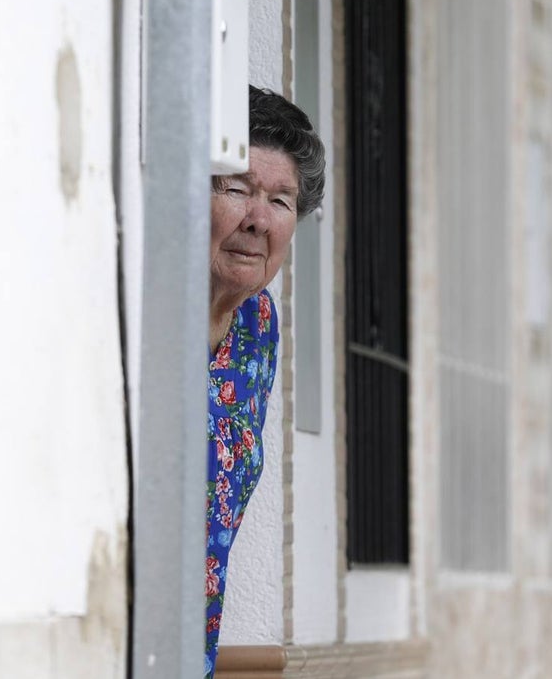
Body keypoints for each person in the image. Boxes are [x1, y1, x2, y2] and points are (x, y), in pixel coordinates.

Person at [204, 85, 325, 677]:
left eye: (280, 201)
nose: (257, 220)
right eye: (237, 189)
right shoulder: (140, 304)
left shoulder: (258, 322)